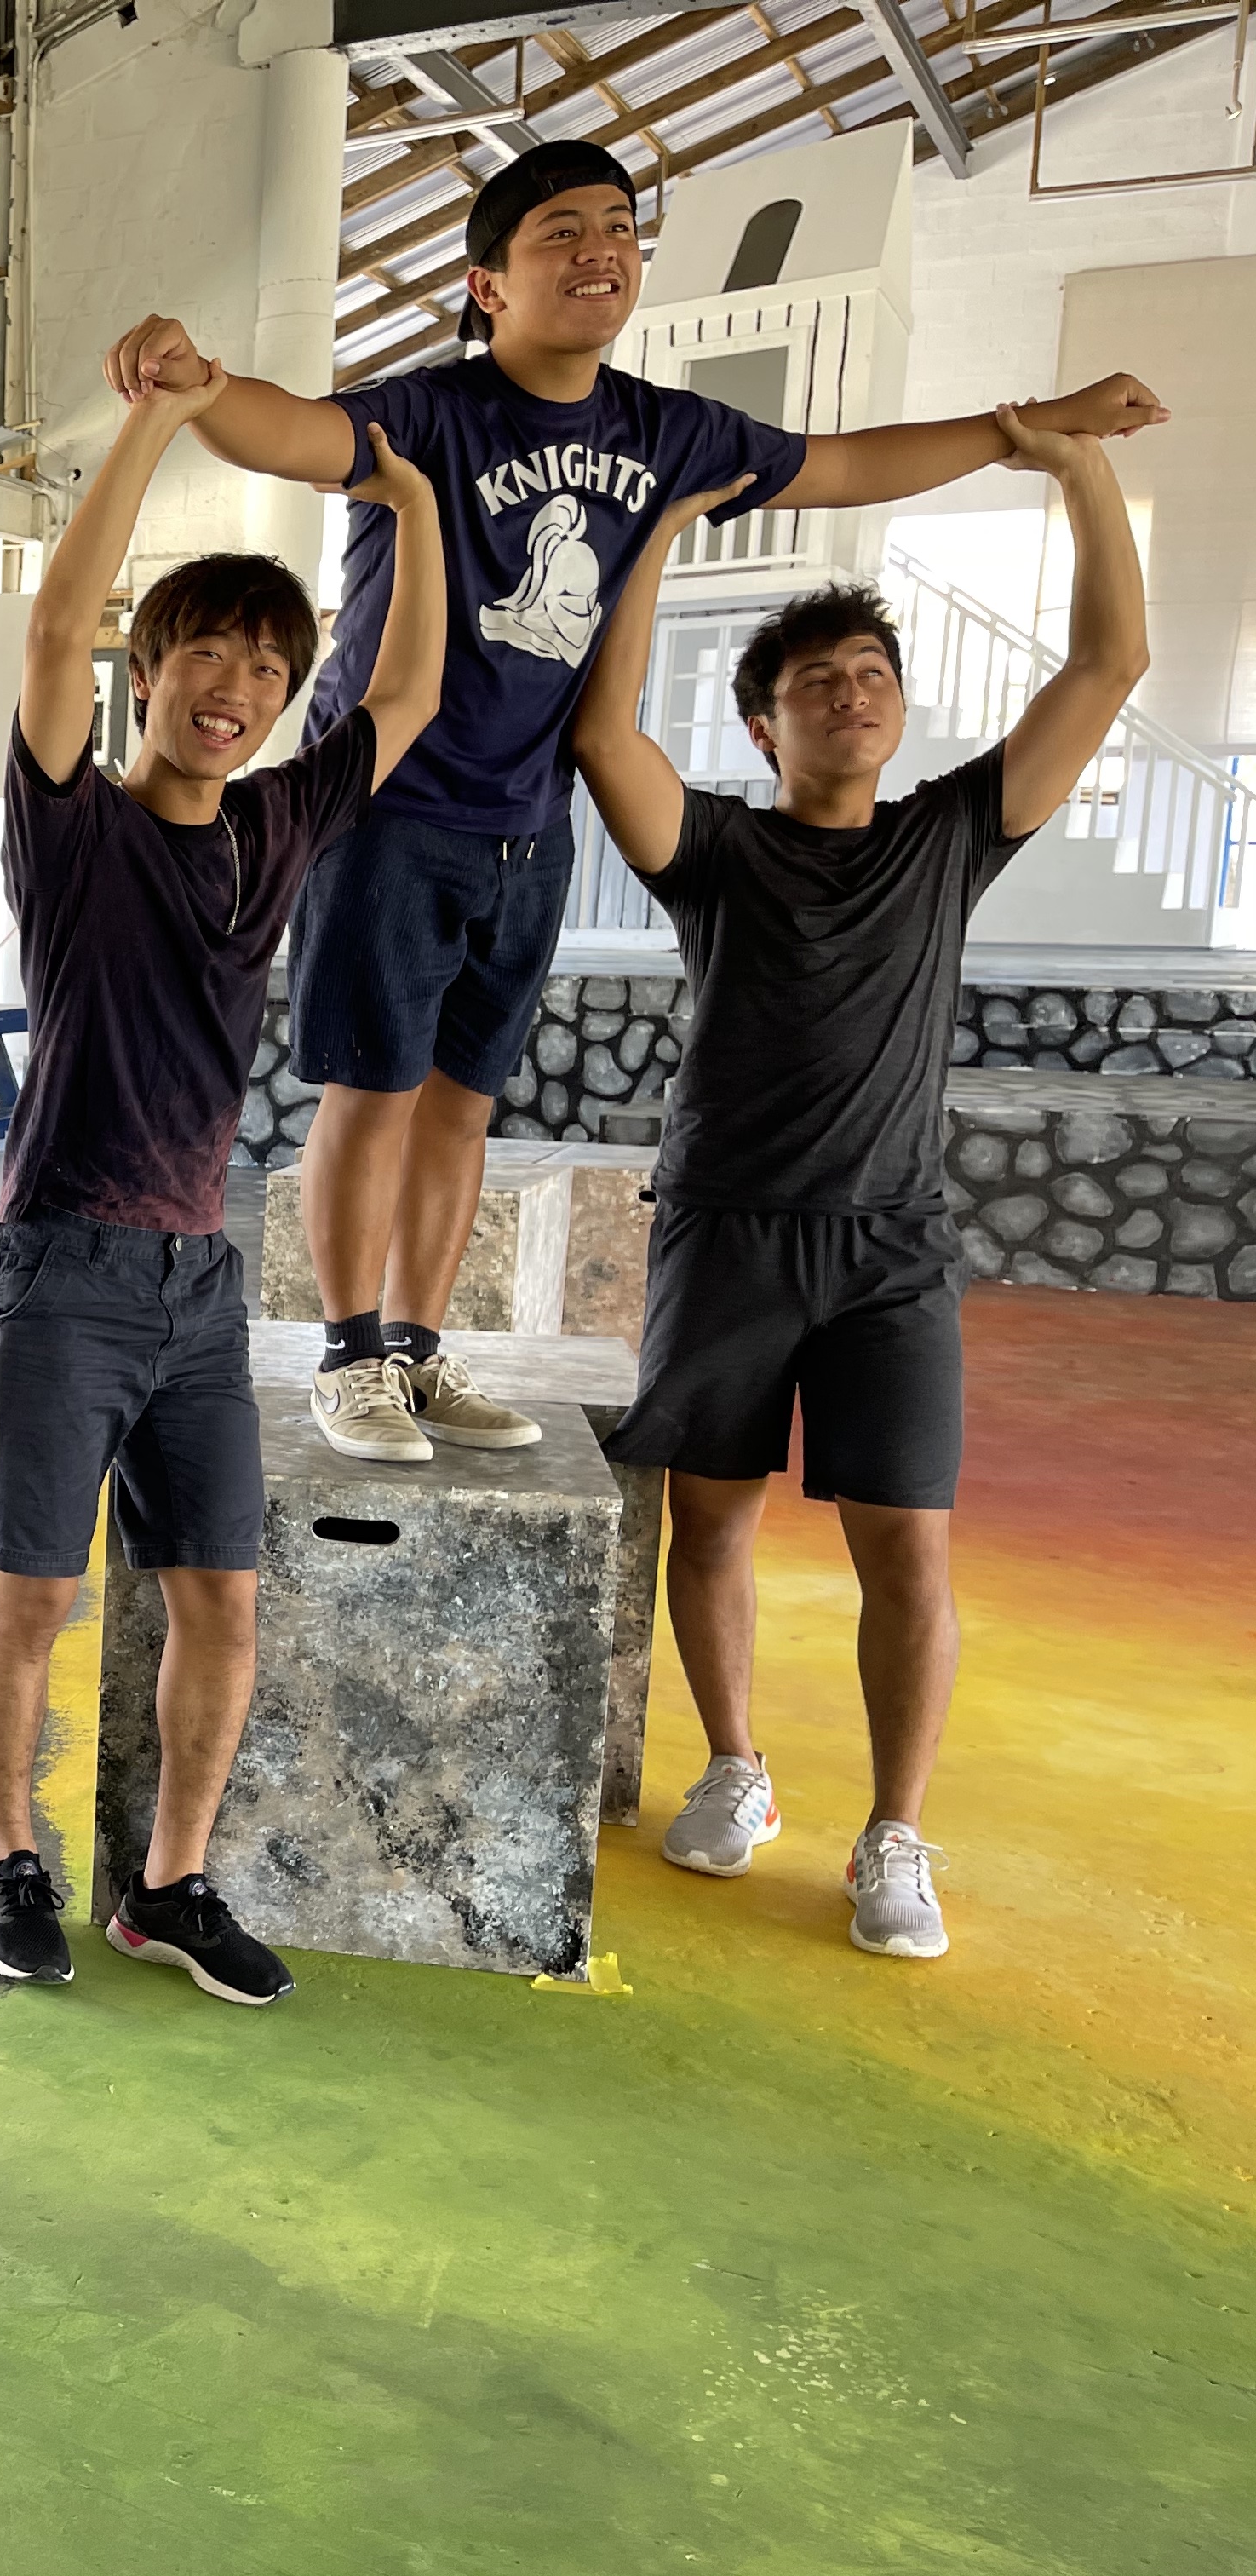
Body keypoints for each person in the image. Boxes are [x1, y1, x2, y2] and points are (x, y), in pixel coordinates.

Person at [106, 139, 1167, 1469]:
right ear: (489, 282)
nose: (600, 247)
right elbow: (289, 427)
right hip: (390, 809)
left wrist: (1031, 429)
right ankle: (349, 1353)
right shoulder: (428, 414)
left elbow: (847, 463)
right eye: (560, 231)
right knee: (370, 1099)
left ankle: (423, 1355)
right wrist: (201, 387)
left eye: (618, 225)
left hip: (529, 826)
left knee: (461, 1107)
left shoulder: (667, 433)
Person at [566, 410, 1144, 1964]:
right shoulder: (716, 850)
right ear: (763, 726)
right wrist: (658, 536)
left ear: (898, 713)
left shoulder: (952, 836)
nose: (846, 694)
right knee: (710, 1520)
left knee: (907, 1540)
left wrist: (1077, 468)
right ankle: (737, 1768)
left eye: (868, 678)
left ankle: (892, 1831)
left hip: (890, 1245)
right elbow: (604, 735)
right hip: (724, 1227)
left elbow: (1103, 668)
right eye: (811, 683)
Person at [0, 348, 444, 2005]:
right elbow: (50, 631)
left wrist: (417, 504)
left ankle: (170, 1888)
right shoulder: (72, 827)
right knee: (35, 1593)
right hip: (66, 1265)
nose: (230, 685)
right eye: (201, 657)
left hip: (196, 1282)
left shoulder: (277, 830)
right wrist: (154, 424)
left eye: (262, 665)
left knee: (224, 1607)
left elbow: (412, 699)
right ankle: (7, 1859)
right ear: (146, 674)